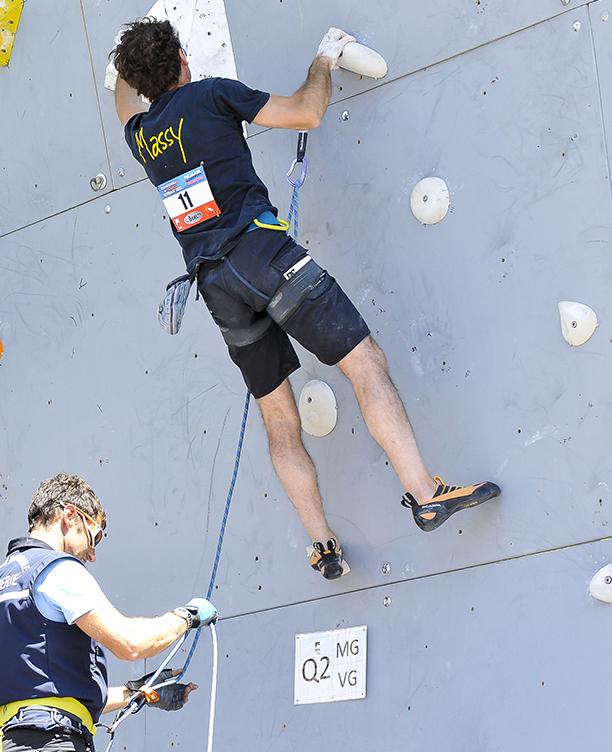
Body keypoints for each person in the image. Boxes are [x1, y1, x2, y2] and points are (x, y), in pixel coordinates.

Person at [110, 20, 500, 579]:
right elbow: (306, 112)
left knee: (280, 421)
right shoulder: (210, 92)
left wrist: (127, 68)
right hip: (264, 257)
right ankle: (424, 491)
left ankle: (322, 544)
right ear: (181, 60)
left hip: (217, 289)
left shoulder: (141, 133)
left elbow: (124, 99)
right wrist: (324, 58)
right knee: (364, 363)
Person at [0, 473, 217, 752]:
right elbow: (130, 642)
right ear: (70, 515)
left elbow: (44, 691)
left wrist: (137, 694)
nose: (92, 554)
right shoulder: (57, 569)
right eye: (95, 537)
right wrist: (185, 617)